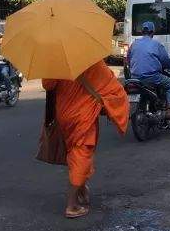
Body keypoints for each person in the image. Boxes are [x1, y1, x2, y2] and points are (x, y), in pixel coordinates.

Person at [43, 59, 129, 219]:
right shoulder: (91, 59)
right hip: (83, 114)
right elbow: (110, 84)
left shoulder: (55, 61)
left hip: (64, 114)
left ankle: (81, 188)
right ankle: (72, 205)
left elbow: (48, 85)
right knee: (82, 154)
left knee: (74, 151)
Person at [126, 20, 170, 118]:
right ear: (153, 32)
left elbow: (128, 59)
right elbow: (165, 60)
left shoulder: (134, 44)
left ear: (142, 32)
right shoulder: (156, 44)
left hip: (135, 77)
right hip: (152, 77)